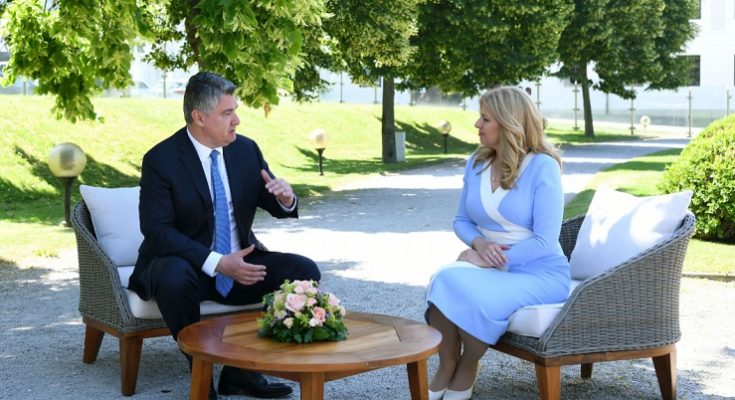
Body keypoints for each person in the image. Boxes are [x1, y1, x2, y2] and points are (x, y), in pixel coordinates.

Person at [129, 71, 321, 399]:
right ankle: (201, 378)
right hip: (189, 268)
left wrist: (286, 198)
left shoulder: (246, 150)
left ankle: (241, 373)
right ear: (199, 117)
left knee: (304, 272)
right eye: (227, 113)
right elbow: (157, 232)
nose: (237, 121)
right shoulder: (161, 160)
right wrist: (217, 262)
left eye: (235, 111)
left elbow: (273, 202)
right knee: (173, 276)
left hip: (240, 265)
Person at [425, 86, 570, 400]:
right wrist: (479, 245)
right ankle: (447, 365)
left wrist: (486, 260)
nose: (477, 124)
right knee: (442, 278)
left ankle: (467, 365)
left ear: (508, 123)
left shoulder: (543, 166)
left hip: (539, 272)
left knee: (471, 289)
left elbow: (545, 241)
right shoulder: (476, 163)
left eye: (485, 118)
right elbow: (461, 220)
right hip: (491, 263)